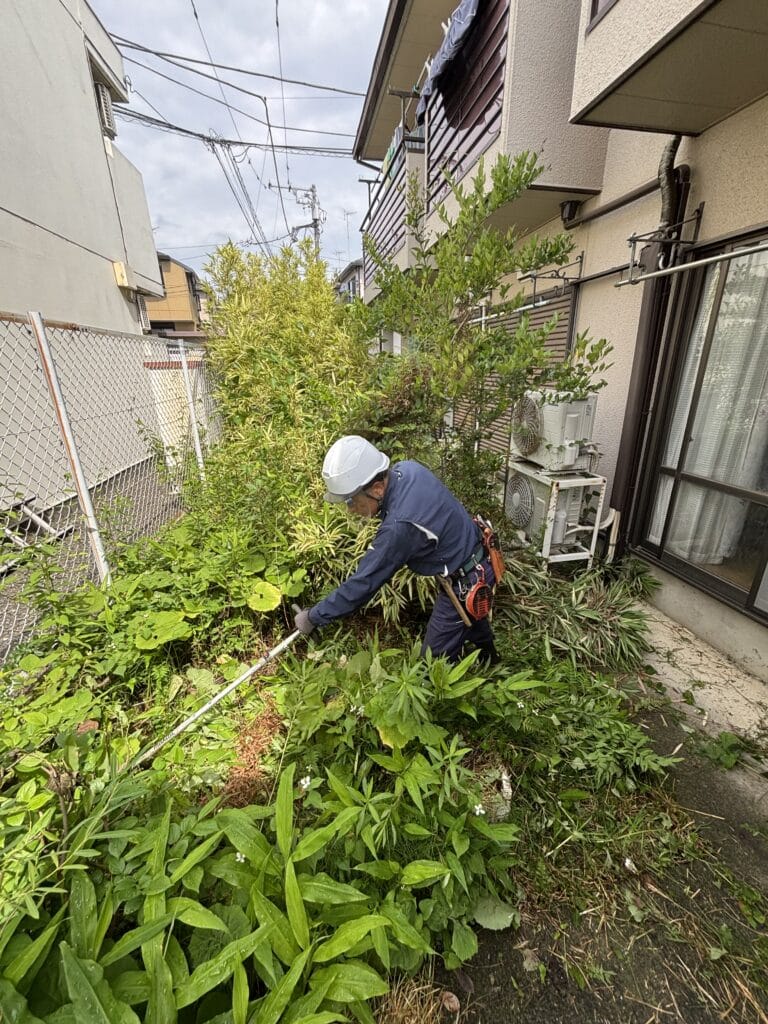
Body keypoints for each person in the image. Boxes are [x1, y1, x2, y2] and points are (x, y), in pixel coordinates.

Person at [293, 435, 498, 664]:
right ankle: (491, 664)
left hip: (467, 580)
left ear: (378, 488)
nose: (350, 510)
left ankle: (453, 689)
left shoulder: (399, 528)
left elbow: (363, 584)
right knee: (472, 618)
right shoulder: (407, 469)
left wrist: (313, 617)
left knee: (432, 663)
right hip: (477, 557)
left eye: (351, 501)